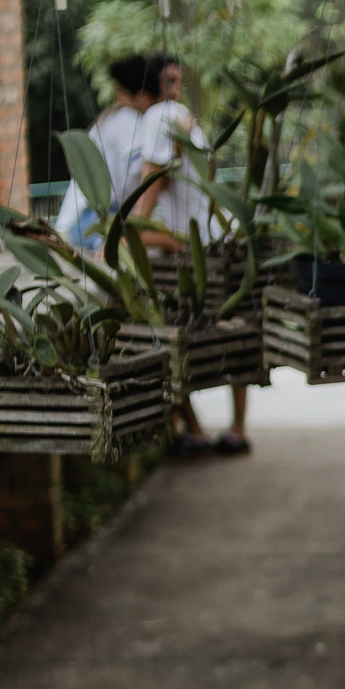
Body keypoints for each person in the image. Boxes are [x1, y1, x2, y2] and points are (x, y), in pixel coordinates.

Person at [139, 56, 251, 456]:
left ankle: (196, 431)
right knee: (235, 333)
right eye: (168, 81)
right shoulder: (187, 118)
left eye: (176, 81)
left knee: (166, 333)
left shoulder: (158, 115)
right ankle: (238, 429)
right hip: (221, 242)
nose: (174, 90)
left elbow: (147, 198)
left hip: (196, 251)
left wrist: (128, 236)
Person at [55, 53, 155, 256]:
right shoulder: (129, 120)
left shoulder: (112, 117)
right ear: (142, 95)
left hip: (78, 219)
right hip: (92, 218)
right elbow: (146, 174)